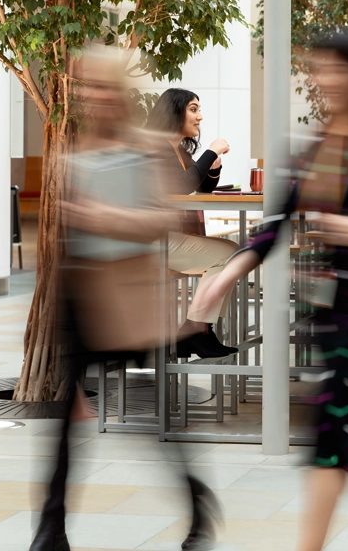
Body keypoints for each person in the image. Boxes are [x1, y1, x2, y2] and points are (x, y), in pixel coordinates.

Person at [188, 29, 348, 551]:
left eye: (339, 69)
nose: (329, 79)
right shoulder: (316, 147)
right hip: (327, 317)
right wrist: (226, 275)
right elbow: (274, 226)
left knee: (332, 440)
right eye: (322, 69)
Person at [31, 50, 220, 551]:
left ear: (116, 91)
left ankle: (197, 499)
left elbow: (159, 220)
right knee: (63, 428)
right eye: (83, 88)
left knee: (150, 415)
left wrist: (104, 217)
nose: (91, 96)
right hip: (83, 300)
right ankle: (50, 530)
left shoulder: (146, 148)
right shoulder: (76, 150)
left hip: (129, 304)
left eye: (99, 86)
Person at [146, 88, 237, 360]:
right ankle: (196, 329)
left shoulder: (178, 151)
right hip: (146, 240)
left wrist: (213, 167)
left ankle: (199, 329)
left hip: (164, 237)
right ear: (175, 112)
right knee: (231, 254)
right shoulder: (155, 148)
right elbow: (182, 186)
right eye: (193, 109)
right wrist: (210, 152)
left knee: (233, 252)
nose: (200, 117)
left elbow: (202, 187)